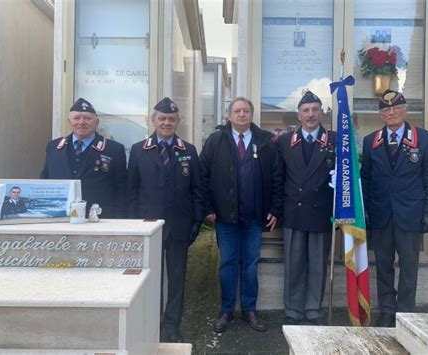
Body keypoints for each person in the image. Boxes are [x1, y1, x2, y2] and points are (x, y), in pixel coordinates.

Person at [200, 97, 283, 333]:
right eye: (237, 111)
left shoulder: (266, 142)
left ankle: (249, 310)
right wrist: (208, 208)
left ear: (252, 114)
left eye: (246, 111)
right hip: (225, 218)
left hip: (254, 217)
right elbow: (203, 177)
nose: (242, 114)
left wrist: (275, 210)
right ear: (229, 115)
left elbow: (277, 178)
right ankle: (226, 311)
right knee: (227, 264)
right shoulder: (216, 141)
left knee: (250, 264)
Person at [126, 97, 203, 343]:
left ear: (178, 121)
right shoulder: (139, 150)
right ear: (153, 120)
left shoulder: (188, 150)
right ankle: (151, 325)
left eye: (171, 119)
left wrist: (197, 222)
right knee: (149, 281)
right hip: (149, 228)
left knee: (177, 281)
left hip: (180, 227)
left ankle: (172, 327)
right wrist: (133, 226)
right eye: (162, 118)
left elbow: (197, 190)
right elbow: (132, 191)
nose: (167, 123)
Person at [361, 90, 428, 327]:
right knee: (383, 265)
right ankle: (386, 310)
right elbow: (366, 179)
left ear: (405, 110)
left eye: (395, 108)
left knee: (409, 266)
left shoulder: (424, 139)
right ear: (381, 115)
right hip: (381, 214)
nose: (391, 113)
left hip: (411, 214)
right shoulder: (370, 141)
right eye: (385, 109)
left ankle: (406, 314)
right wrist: (364, 212)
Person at [276, 91, 336, 326]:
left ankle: (313, 309)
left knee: (318, 264)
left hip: (322, 212)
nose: (310, 114)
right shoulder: (284, 141)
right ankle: (292, 309)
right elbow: (278, 179)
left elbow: (345, 179)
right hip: (294, 211)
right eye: (306, 110)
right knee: (294, 263)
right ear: (298, 115)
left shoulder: (334, 139)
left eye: (315, 109)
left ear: (321, 112)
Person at [40, 98, 127, 218]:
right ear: (69, 121)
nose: (81, 122)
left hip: (99, 218)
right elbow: (45, 181)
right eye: (76, 118)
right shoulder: (53, 147)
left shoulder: (114, 149)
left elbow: (122, 189)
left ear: (97, 122)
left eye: (87, 118)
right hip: (60, 217)